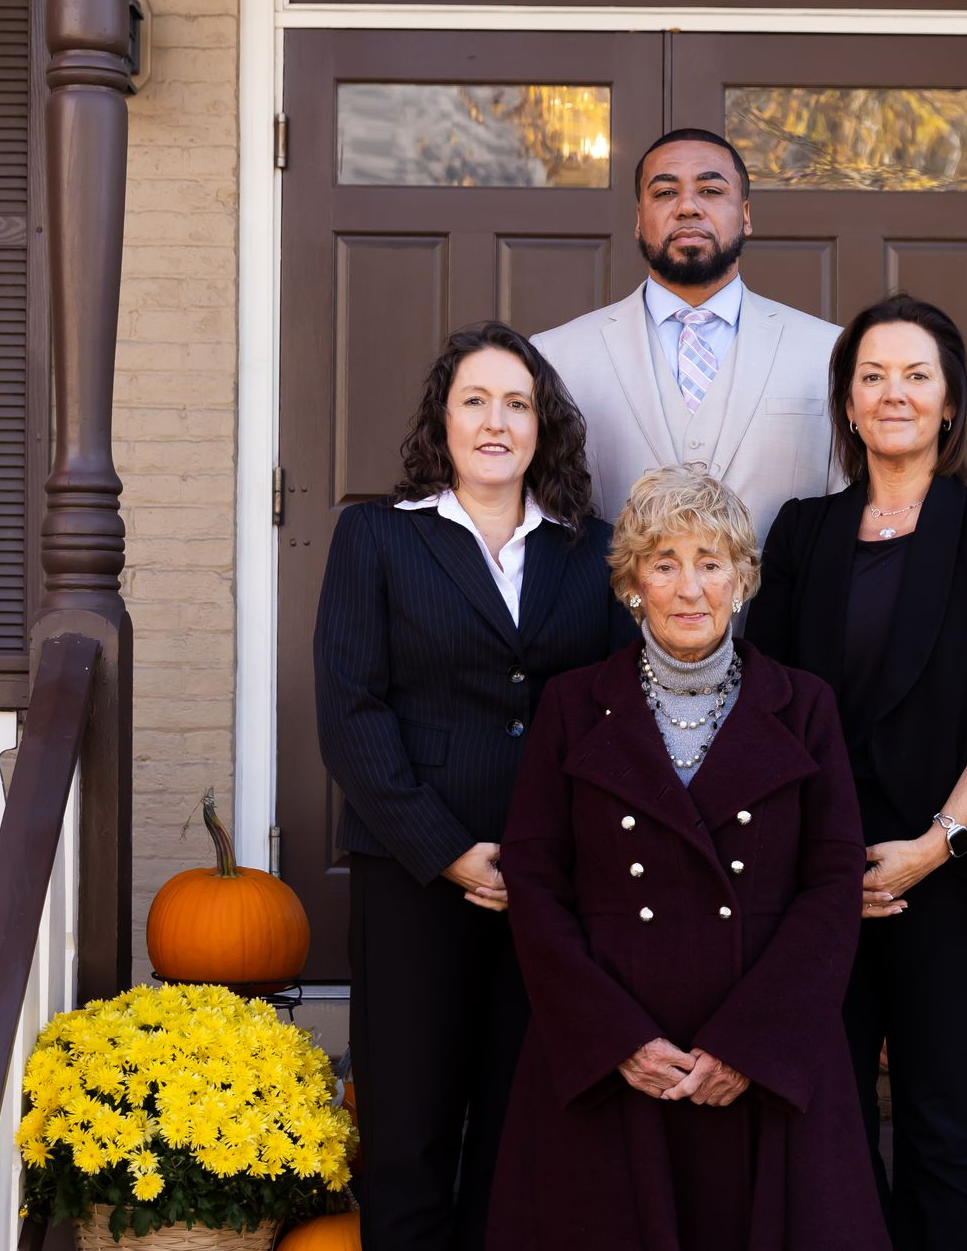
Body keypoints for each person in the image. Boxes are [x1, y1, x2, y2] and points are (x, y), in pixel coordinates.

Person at [488, 465, 890, 1251]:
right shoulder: (572, 706)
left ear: (742, 581)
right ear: (633, 582)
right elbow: (535, 881)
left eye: (711, 562)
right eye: (664, 562)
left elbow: (833, 880)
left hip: (761, 1056)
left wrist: (753, 1045)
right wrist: (615, 1041)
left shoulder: (804, 705)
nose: (689, 586)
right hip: (617, 1057)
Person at [744, 294, 967, 1251]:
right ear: (847, 402)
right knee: (827, 1127)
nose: (895, 394)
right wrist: (833, 861)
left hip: (951, 865)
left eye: (917, 375)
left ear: (951, 400)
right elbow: (771, 708)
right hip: (825, 872)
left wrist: (936, 844)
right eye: (873, 375)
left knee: (938, 1126)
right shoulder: (802, 533)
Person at [313, 319, 631, 1251]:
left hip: (551, 887)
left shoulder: (592, 549)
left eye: (518, 403)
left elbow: (617, 713)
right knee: (408, 1133)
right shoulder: (376, 536)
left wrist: (559, 853)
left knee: (519, 1128)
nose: (497, 421)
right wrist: (448, 851)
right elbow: (351, 710)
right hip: (414, 873)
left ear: (545, 426)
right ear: (442, 421)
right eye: (476, 400)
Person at [532, 127, 840, 543]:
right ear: (639, 220)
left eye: (711, 191)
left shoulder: (829, 352)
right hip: (609, 608)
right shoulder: (556, 355)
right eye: (664, 193)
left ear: (746, 215)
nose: (688, 207)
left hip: (783, 609)